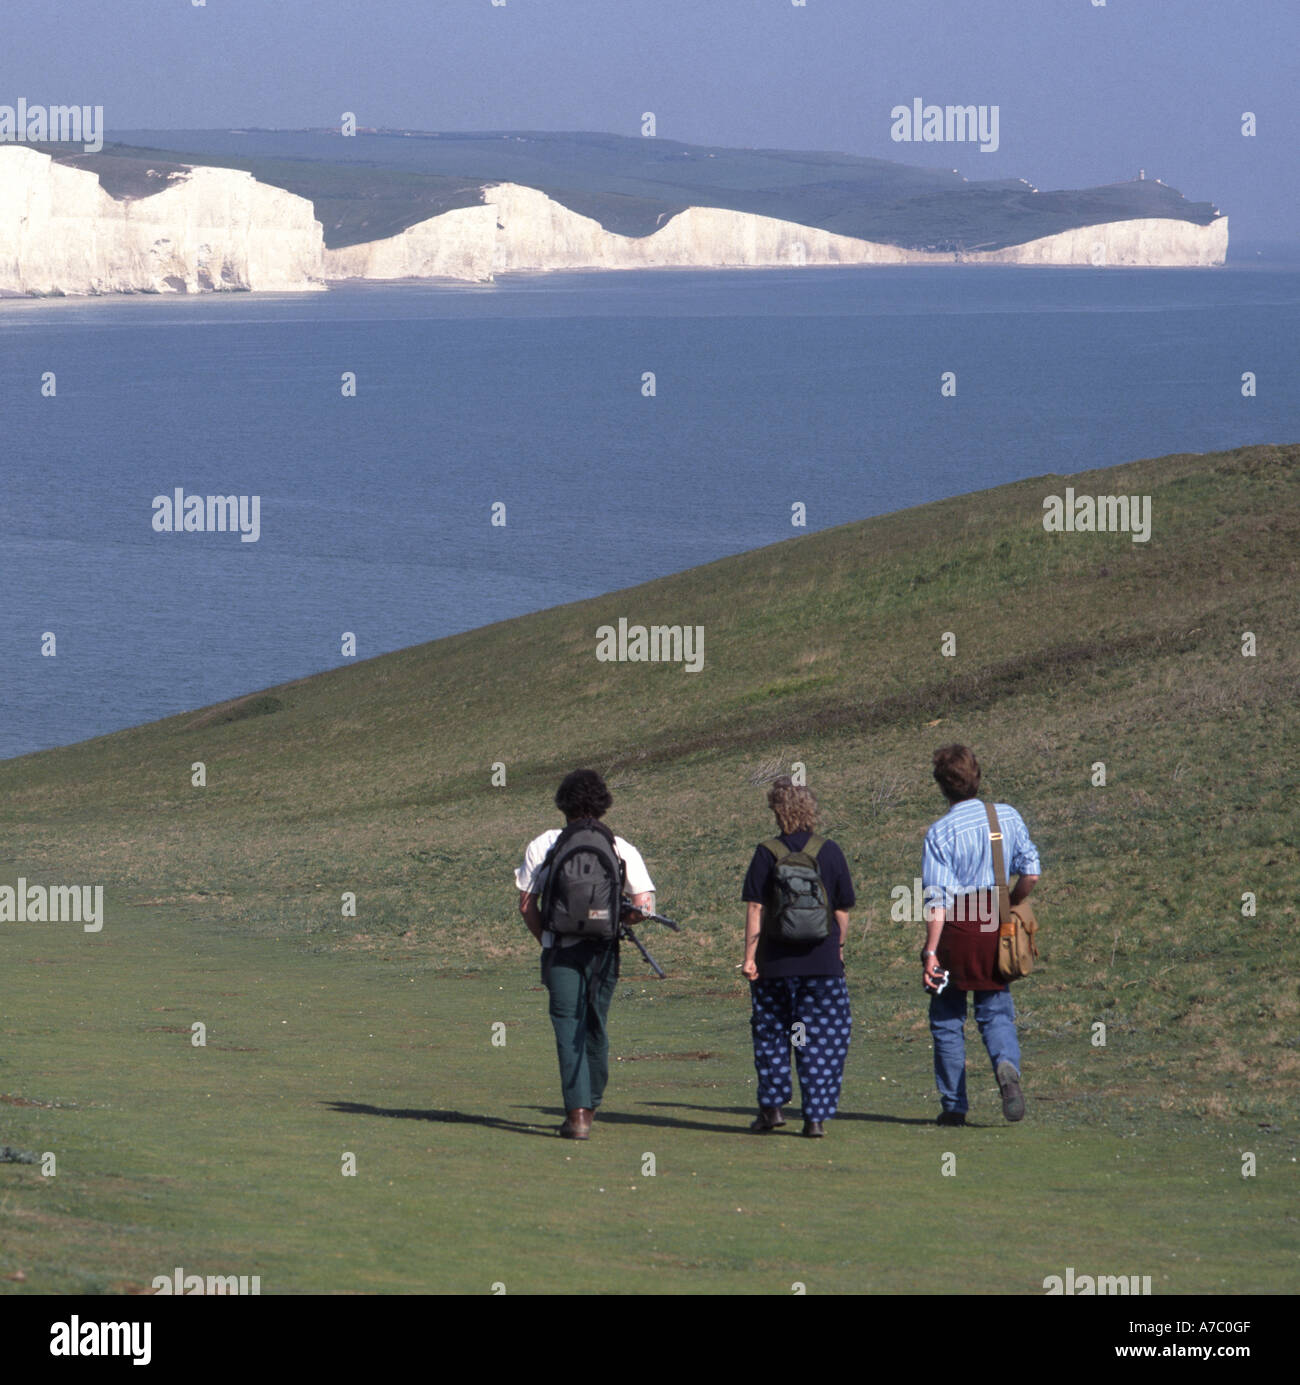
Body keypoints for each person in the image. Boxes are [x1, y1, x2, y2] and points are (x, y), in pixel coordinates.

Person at [516, 769, 655, 1140]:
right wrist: (614, 917)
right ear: (603, 804)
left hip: (560, 949)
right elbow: (644, 906)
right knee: (596, 1022)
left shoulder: (543, 844)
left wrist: (546, 939)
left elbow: (527, 905)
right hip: (604, 950)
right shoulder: (619, 847)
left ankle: (576, 1114)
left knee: (567, 1024)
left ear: (563, 804)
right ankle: (591, 1102)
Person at [920, 745, 1041, 1126]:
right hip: (997, 924)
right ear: (977, 777)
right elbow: (1032, 872)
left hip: (957, 927)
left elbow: (938, 900)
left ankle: (954, 1106)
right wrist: (1011, 905)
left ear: (942, 786)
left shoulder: (940, 833)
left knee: (946, 1017)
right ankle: (1006, 1066)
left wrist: (930, 951)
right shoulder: (1006, 815)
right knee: (996, 1011)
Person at [741, 777, 855, 1137]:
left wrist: (749, 957)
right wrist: (837, 951)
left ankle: (772, 1109)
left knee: (774, 1036)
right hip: (822, 966)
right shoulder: (830, 851)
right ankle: (815, 1118)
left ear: (777, 812)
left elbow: (756, 907)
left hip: (775, 965)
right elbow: (842, 910)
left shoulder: (766, 852)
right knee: (819, 1037)